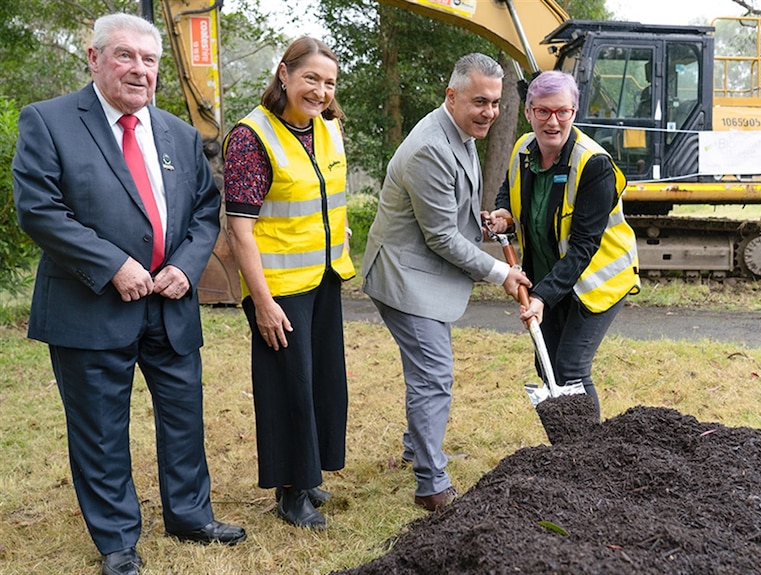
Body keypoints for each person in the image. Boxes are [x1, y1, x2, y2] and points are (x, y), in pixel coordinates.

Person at [12, 12, 246, 575]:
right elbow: (39, 210)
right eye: (125, 56)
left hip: (170, 304)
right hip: (88, 305)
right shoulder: (48, 122)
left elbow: (202, 212)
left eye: (149, 60)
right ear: (93, 58)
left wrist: (189, 267)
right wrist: (113, 264)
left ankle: (190, 516)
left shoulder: (180, 134)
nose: (139, 70)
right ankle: (117, 541)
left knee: (184, 416)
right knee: (99, 429)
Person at [362, 53, 531, 512]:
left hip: (419, 267)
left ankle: (419, 449)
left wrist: (481, 222)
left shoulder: (460, 130)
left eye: (495, 103)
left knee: (427, 373)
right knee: (434, 375)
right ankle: (431, 485)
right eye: (480, 101)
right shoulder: (430, 148)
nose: (490, 113)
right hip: (403, 276)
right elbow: (438, 237)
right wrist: (501, 272)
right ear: (451, 96)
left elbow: (446, 211)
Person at [222, 36, 354, 530]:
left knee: (321, 383)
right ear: (284, 74)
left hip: (324, 277)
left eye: (329, 82)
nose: (320, 91)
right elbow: (240, 229)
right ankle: (289, 492)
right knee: (288, 388)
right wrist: (262, 301)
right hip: (277, 287)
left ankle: (308, 473)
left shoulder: (329, 127)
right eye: (311, 79)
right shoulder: (250, 136)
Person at [487, 70, 640, 422]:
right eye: (542, 111)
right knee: (547, 367)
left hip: (596, 281)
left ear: (574, 112)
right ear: (528, 112)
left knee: (571, 368)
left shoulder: (594, 165)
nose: (552, 122)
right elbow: (508, 192)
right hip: (548, 276)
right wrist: (503, 215)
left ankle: (589, 456)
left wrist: (541, 298)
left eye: (562, 112)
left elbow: (585, 246)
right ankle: (565, 454)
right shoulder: (524, 149)